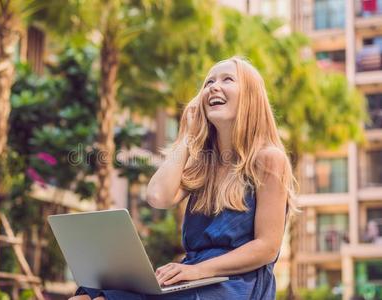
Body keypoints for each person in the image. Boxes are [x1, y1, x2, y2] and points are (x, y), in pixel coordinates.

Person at [70, 56, 298, 300]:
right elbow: (158, 196)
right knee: (86, 296)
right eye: (208, 82)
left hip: (236, 282)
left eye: (227, 79)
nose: (213, 87)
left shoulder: (269, 158)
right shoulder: (202, 163)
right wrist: (188, 137)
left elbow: (266, 248)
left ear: (251, 97)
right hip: (191, 274)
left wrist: (197, 271)